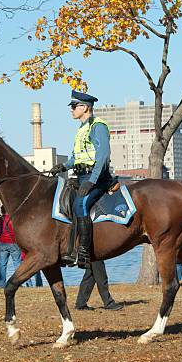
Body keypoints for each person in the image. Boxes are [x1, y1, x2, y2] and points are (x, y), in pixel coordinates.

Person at [50, 90, 114, 269]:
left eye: (73, 106)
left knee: (80, 205)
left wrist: (92, 181)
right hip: (81, 176)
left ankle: (83, 252)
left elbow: (103, 156)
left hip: (97, 178)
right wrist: (63, 166)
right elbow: (76, 158)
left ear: (85, 107)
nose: (71, 110)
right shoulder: (81, 129)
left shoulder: (98, 126)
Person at [0, 206, 21, 288]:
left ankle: (1, 284)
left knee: (2, 265)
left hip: (2, 243)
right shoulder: (13, 219)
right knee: (17, 263)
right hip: (13, 242)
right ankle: (18, 282)